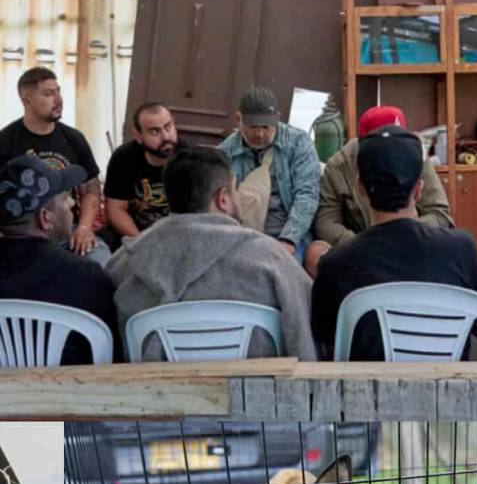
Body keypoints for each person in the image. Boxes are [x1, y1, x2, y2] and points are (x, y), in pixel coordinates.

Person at [105, 146, 316, 361]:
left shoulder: (126, 262)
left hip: (158, 391)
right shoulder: (271, 259)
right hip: (254, 391)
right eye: (235, 190)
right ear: (223, 199)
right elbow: (306, 338)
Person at [311, 127, 477, 360]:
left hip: (364, 392)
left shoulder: (334, 264)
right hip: (447, 389)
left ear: (360, 187)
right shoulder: (463, 249)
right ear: (420, 190)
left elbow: (326, 339)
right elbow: (475, 323)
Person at [0, 155, 118, 364]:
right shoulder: (86, 276)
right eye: (65, 198)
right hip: (73, 392)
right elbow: (112, 353)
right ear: (46, 218)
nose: (73, 203)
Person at [310, 104, 453, 276]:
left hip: (413, 245)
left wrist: (401, 239)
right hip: (358, 251)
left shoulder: (416, 157)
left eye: (400, 140)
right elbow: (326, 222)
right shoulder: (339, 165)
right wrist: (365, 244)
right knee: (315, 253)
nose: (393, 149)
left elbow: (438, 212)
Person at [0, 67, 109, 264]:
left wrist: (84, 228)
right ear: (27, 101)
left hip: (67, 230)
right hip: (22, 236)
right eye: (48, 93)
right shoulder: (6, 141)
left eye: (58, 91)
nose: (58, 99)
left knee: (100, 261)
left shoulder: (74, 138)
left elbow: (91, 188)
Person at [218, 86, 321, 264]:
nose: (259, 134)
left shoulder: (298, 143)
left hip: (288, 235)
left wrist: (288, 240)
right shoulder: (225, 152)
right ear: (238, 120)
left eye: (266, 127)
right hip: (242, 236)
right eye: (252, 127)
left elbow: (307, 195)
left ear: (278, 118)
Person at [103, 102, 180, 247]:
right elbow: (115, 210)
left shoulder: (188, 158)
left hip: (176, 238)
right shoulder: (124, 157)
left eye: (168, 127)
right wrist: (142, 242)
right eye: (155, 132)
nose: (165, 137)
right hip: (134, 235)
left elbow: (196, 214)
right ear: (138, 136)